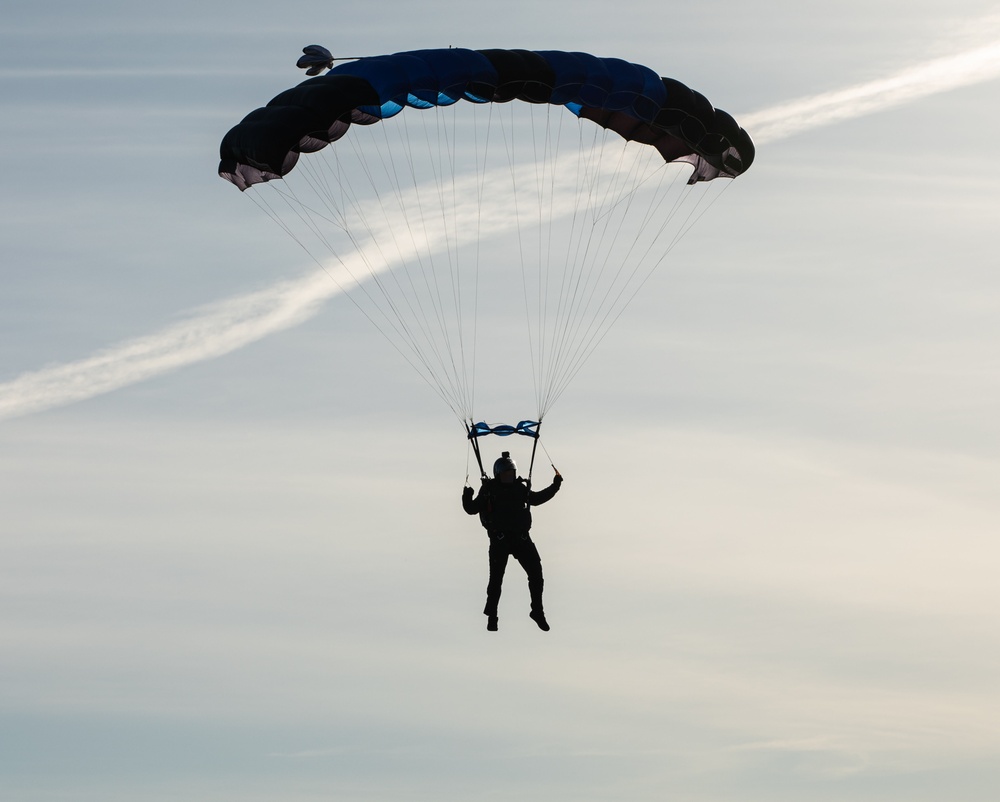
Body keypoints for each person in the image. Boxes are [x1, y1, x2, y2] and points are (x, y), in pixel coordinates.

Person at [462, 451, 562, 632]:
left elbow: (537, 499)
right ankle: (492, 615)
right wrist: (467, 495)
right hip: (500, 540)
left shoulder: (519, 488)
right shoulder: (489, 489)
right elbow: (471, 509)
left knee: (536, 574)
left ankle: (537, 611)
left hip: (521, 539)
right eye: (506, 474)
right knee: (496, 580)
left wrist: (555, 486)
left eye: (512, 474)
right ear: (498, 475)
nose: (510, 477)